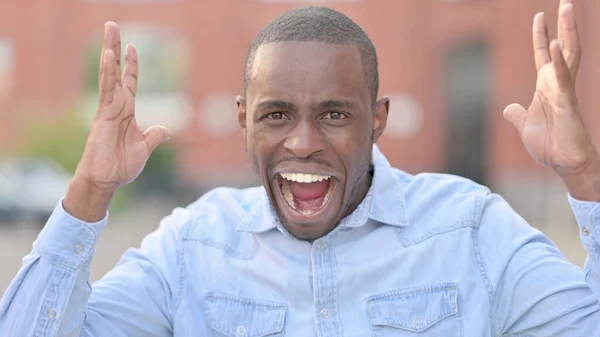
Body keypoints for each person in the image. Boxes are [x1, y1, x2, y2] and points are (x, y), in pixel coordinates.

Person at [1, 1, 599, 336]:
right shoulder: (192, 247)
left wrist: (585, 178)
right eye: (277, 114)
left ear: (379, 120)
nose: (303, 142)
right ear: (244, 120)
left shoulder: (470, 230)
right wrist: (91, 189)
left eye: (335, 114)